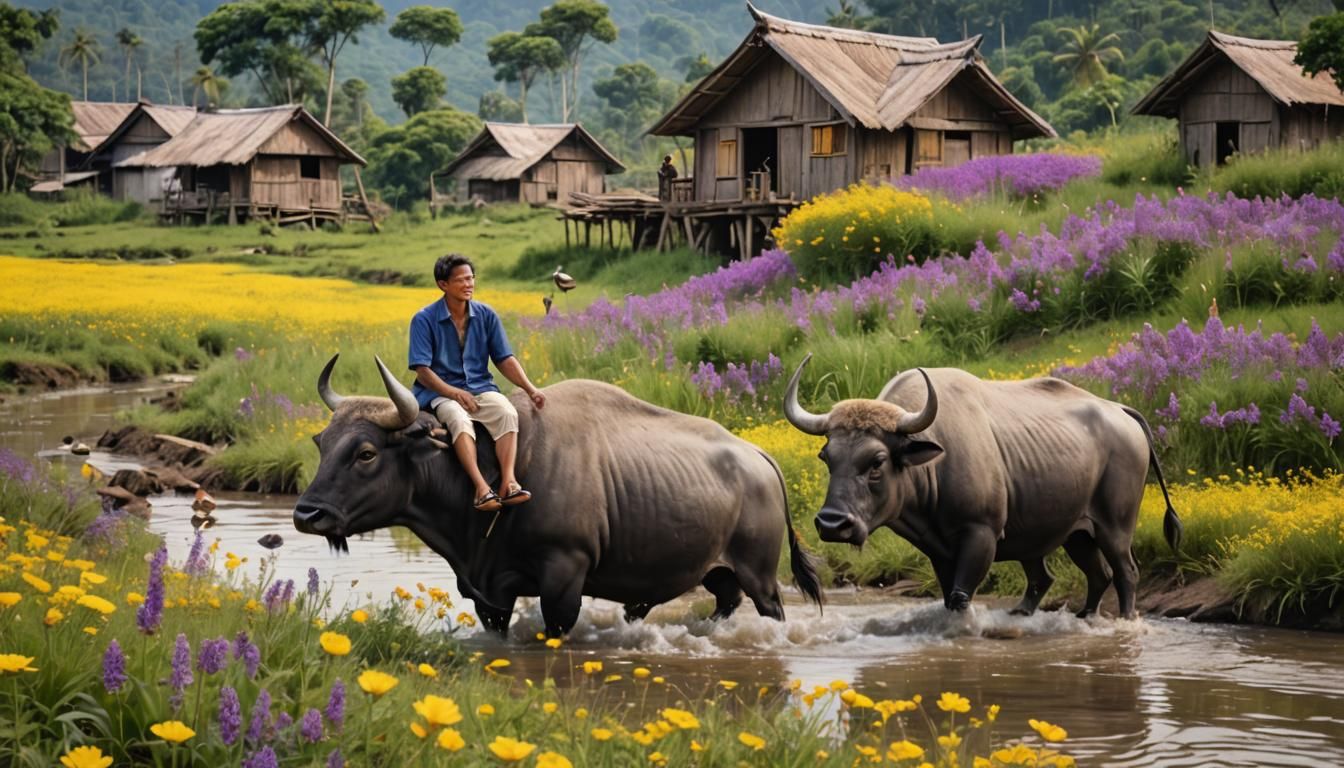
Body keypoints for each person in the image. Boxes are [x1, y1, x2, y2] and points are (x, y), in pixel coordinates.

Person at [409, 254, 546, 512]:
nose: (468, 284)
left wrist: (530, 388)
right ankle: (481, 489)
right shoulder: (424, 319)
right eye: (461, 280)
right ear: (443, 285)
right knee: (458, 419)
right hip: (439, 391)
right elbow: (422, 370)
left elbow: (504, 358)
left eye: (471, 278)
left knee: (506, 412)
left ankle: (509, 482)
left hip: (480, 387)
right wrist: (454, 393)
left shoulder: (486, 316)